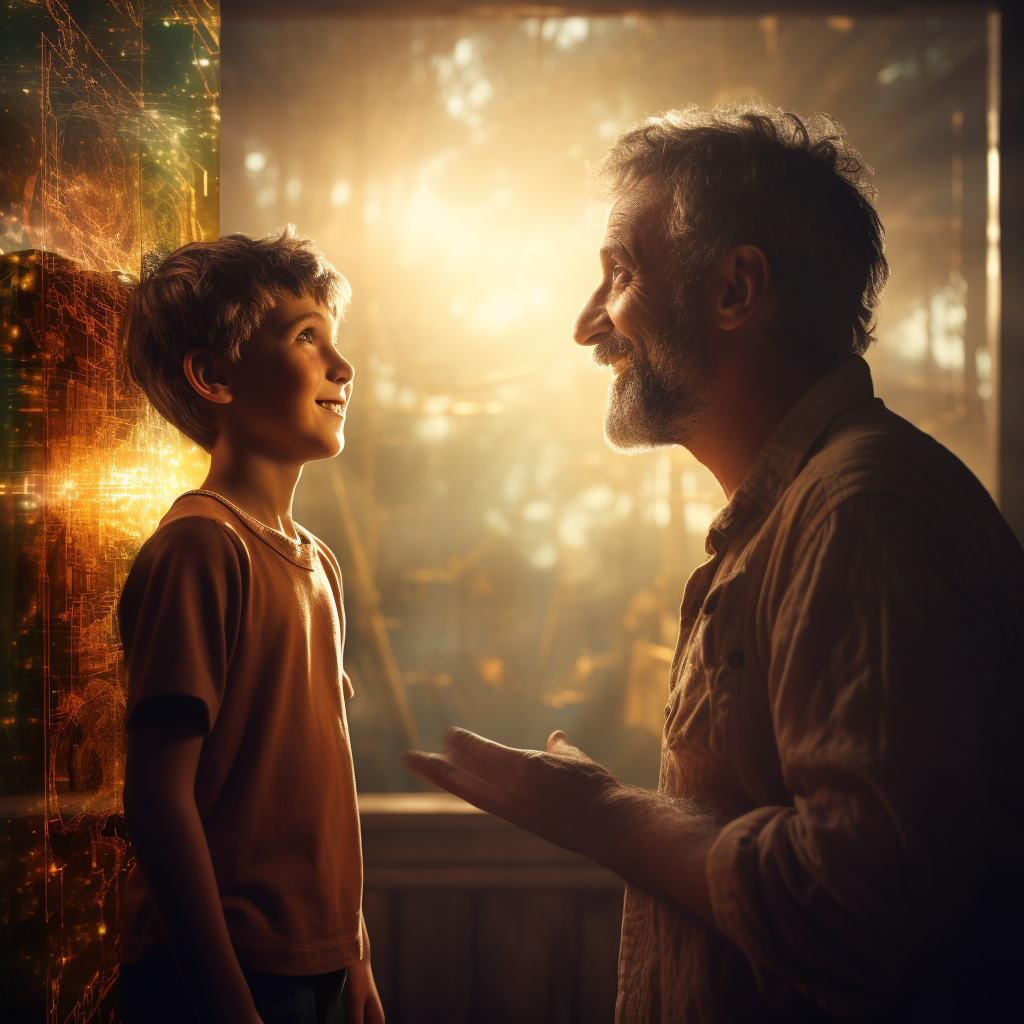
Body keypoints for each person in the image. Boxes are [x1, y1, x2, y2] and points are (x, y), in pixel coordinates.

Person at [406, 104, 1024, 1022]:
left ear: (737, 289)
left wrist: (601, 817)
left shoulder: (864, 513)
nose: (587, 324)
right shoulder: (810, 509)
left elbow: (859, 916)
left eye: (620, 273)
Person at [117, 228, 385, 1024]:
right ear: (213, 375)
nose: (344, 368)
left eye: (336, 341)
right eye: (307, 337)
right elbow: (159, 798)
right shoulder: (201, 548)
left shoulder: (319, 563)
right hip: (225, 975)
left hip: (320, 964)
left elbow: (325, 780)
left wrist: (356, 954)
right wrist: (227, 1000)